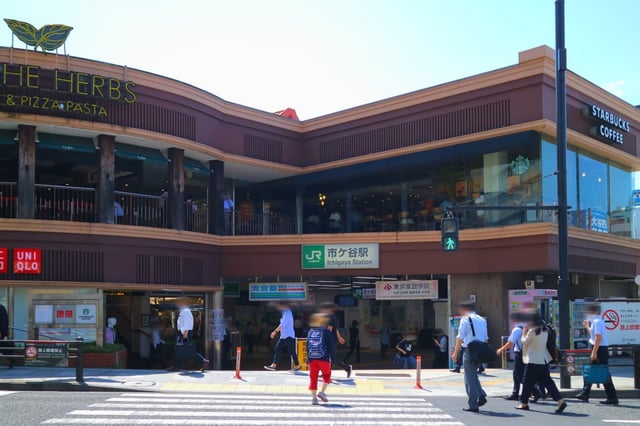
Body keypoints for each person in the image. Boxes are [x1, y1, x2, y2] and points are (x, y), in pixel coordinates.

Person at [515, 313, 568, 413]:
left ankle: (524, 403)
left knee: (527, 382)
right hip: (543, 359)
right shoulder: (545, 329)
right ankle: (560, 400)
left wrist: (524, 332)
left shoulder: (532, 330)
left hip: (533, 360)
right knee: (548, 381)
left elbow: (524, 342)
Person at [575, 304, 619, 405]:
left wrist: (594, 353)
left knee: (602, 373)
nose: (587, 313)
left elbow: (598, 338)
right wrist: (587, 326)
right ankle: (586, 393)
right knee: (592, 371)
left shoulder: (597, 321)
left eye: (589, 311)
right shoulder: (598, 321)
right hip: (600, 349)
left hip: (599, 350)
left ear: (593, 311)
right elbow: (594, 334)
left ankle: (611, 397)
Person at [452, 301, 488, 413]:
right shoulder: (482, 320)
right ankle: (481, 394)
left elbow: (460, 337)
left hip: (469, 350)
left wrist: (455, 352)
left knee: (469, 378)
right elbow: (486, 338)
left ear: (465, 309)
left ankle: (473, 404)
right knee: (473, 375)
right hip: (481, 349)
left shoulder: (465, 319)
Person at [168, 298, 209, 372]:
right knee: (180, 349)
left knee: (185, 349)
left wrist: (185, 333)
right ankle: (175, 365)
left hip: (185, 332)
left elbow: (186, 323)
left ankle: (203, 361)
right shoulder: (183, 311)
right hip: (183, 332)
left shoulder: (186, 311)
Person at [264, 302, 301, 371]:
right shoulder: (284, 313)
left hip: (288, 335)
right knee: (278, 348)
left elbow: (282, 325)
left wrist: (275, 332)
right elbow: (282, 324)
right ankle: (274, 365)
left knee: (291, 351)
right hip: (284, 335)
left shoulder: (287, 312)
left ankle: (297, 365)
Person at [306, 313, 332, 405]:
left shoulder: (310, 331)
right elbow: (330, 346)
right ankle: (322, 392)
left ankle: (314, 399)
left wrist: (308, 358)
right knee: (327, 374)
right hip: (323, 358)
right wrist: (332, 358)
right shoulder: (326, 331)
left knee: (313, 378)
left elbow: (307, 345)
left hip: (312, 358)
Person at [320, 303, 351, 378]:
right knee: (329, 357)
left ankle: (347, 368)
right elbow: (336, 329)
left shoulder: (330, 318)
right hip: (332, 339)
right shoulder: (332, 317)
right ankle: (326, 372)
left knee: (331, 357)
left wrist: (328, 339)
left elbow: (330, 329)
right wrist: (339, 337)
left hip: (331, 340)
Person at [0, 303, 14, 369]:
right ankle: (11, 358)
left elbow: (2, 321)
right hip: (2, 332)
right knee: (2, 346)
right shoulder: (2, 307)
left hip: (1, 332)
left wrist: (1, 332)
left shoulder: (1, 308)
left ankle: (11, 358)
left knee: (3, 347)